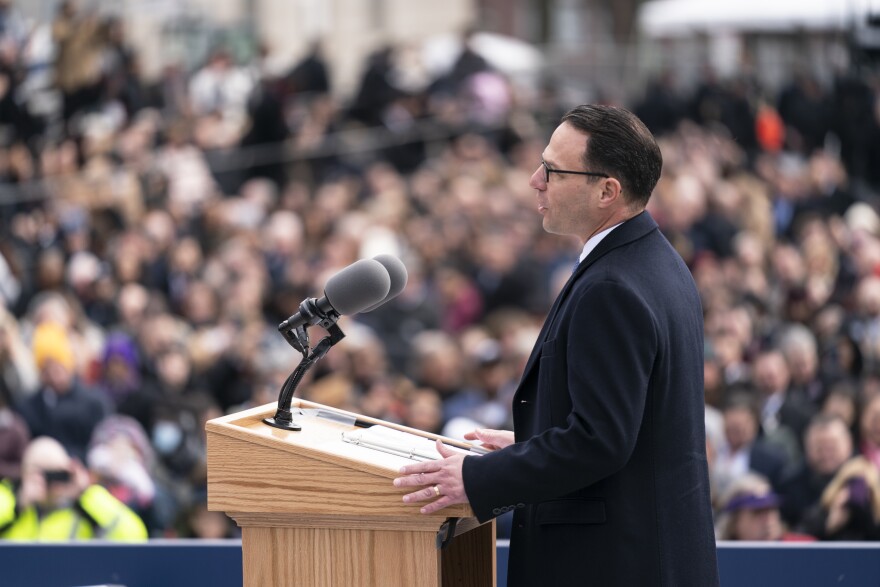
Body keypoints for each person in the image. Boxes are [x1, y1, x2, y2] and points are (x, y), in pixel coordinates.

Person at [393, 104, 719, 586]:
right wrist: (528, 444)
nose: (534, 180)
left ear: (608, 190)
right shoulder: (654, 261)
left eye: (552, 169)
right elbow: (632, 423)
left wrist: (479, 479)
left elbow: (600, 440)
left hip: (613, 564)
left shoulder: (614, 285)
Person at [0, 436, 147, 540]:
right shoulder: (6, 496)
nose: (51, 481)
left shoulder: (85, 507)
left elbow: (134, 534)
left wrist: (85, 494)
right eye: (43, 473)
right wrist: (18, 506)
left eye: (57, 473)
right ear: (24, 473)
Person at [715, 473, 814, 542]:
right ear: (734, 521)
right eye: (758, 512)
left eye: (772, 509)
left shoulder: (803, 549)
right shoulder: (717, 558)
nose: (768, 519)